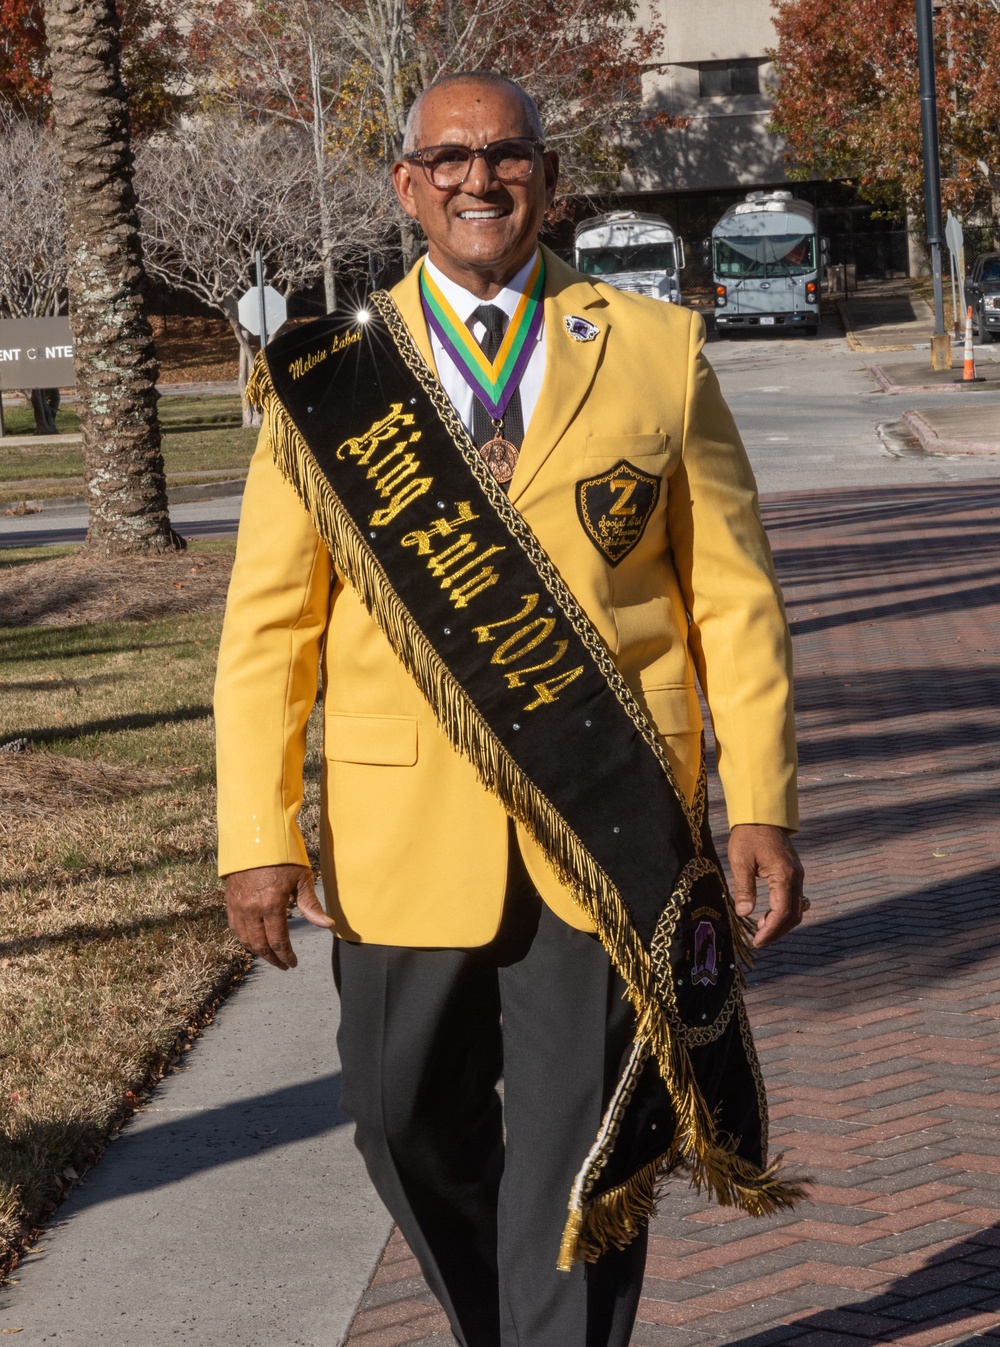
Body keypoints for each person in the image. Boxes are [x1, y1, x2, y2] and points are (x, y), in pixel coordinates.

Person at [215, 70, 805, 1347]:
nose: (479, 180)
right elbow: (269, 634)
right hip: (395, 832)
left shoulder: (654, 352)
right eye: (450, 159)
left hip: (607, 822)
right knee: (396, 1118)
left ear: (547, 176)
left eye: (506, 155)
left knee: (578, 1145)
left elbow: (732, 600)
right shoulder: (327, 377)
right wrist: (256, 833)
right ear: (406, 185)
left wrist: (758, 804)